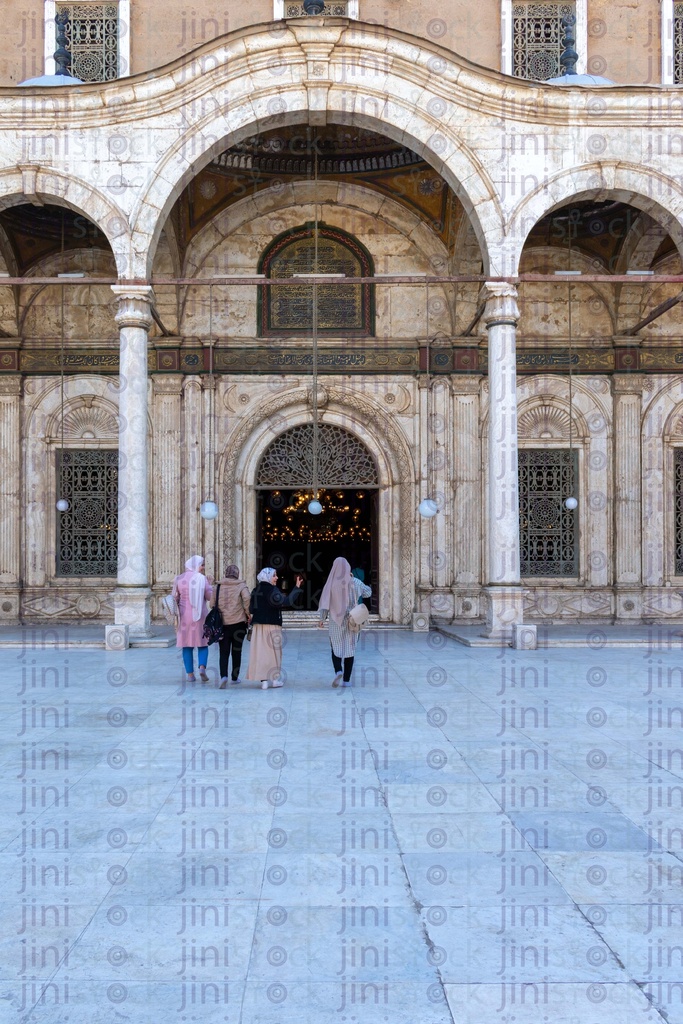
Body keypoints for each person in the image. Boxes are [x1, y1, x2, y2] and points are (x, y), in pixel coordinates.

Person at [318, 557, 372, 687]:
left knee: (335, 647)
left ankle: (338, 671)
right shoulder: (356, 582)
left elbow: (325, 604)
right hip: (353, 620)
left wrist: (322, 619)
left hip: (335, 622)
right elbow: (368, 593)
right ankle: (346, 681)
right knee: (350, 650)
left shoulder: (330, 584)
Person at [247, 568, 303, 690]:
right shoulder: (273, 590)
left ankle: (264, 682)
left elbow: (251, 609)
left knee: (261, 653)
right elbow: (286, 601)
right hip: (272, 625)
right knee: (274, 653)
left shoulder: (255, 590)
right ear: (268, 577)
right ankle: (275, 680)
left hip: (258, 627)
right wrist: (297, 587)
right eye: (274, 575)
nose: (277, 578)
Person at [173, 555, 213, 682]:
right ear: (196, 565)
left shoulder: (179, 578)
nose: (203, 568)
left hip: (184, 616)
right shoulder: (202, 579)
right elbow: (209, 597)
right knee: (203, 643)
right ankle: (202, 668)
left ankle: (190, 675)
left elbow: (174, 597)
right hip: (200, 616)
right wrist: (210, 584)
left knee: (186, 645)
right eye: (202, 565)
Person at [211, 564, 251, 688]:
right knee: (236, 651)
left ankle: (224, 676)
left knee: (223, 652)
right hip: (239, 624)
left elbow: (212, 604)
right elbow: (247, 598)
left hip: (222, 624)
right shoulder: (241, 585)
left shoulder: (217, 586)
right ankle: (234, 677)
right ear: (237, 574)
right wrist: (248, 613)